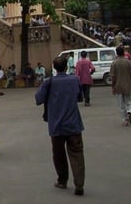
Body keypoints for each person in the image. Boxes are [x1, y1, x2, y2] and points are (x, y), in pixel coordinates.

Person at [35, 55, 85, 196]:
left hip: (56, 125)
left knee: (58, 154)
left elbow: (38, 99)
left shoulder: (49, 82)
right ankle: (79, 183)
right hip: (73, 123)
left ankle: (62, 180)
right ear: (66, 67)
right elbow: (79, 97)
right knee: (77, 153)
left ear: (54, 67)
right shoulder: (75, 80)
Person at [110, 45, 131, 126]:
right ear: (123, 52)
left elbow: (113, 76)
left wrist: (113, 87)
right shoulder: (129, 62)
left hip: (118, 86)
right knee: (129, 101)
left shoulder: (114, 63)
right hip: (128, 85)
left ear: (117, 53)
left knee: (121, 104)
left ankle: (125, 120)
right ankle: (130, 112)